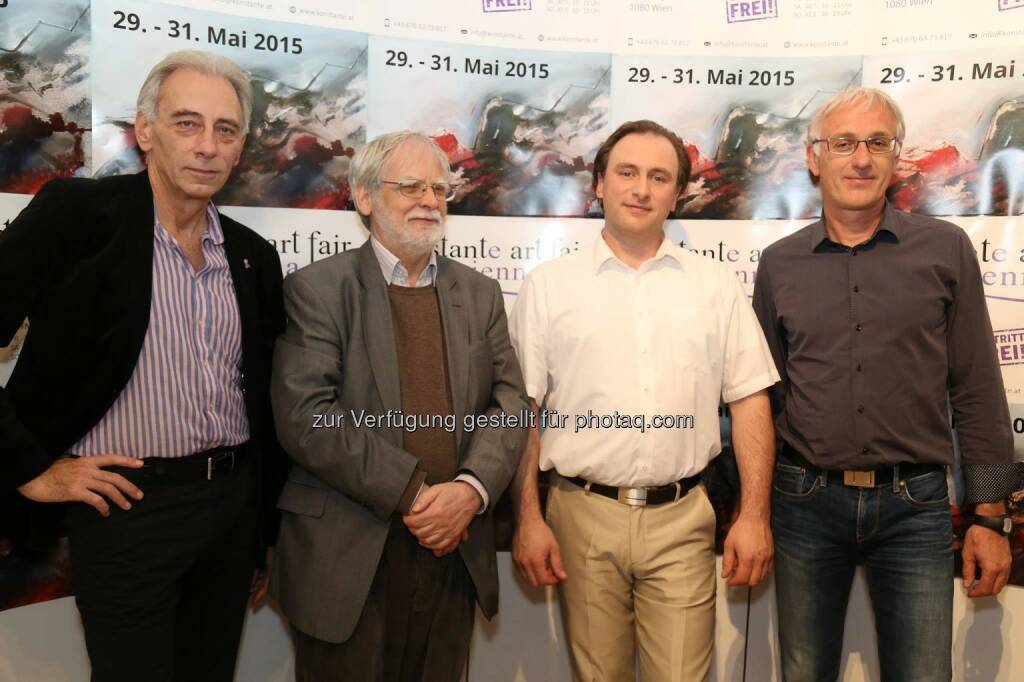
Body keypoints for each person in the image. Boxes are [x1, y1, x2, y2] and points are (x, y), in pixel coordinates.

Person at [0, 50, 286, 682]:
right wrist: (31, 469)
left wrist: (261, 529)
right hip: (127, 512)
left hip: (231, 513)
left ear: (241, 148)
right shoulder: (79, 217)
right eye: (187, 123)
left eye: (225, 130)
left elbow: (264, 404)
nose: (207, 146)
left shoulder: (251, 256)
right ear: (145, 130)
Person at [752, 86, 1020, 681]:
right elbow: (761, 402)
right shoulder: (778, 265)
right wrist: (749, 510)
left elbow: (976, 390)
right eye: (843, 143)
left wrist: (990, 518)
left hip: (916, 508)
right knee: (801, 672)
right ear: (814, 157)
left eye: (877, 142)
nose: (862, 159)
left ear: (898, 158)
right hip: (803, 505)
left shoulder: (946, 251)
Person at [508, 119, 780, 681]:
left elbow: (751, 401)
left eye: (660, 177)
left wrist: (754, 515)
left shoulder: (715, 286)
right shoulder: (548, 287)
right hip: (579, 517)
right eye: (627, 172)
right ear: (599, 184)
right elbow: (522, 412)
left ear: (678, 193)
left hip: (683, 519)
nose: (641, 189)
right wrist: (527, 518)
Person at [269, 130, 530, 682]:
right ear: (364, 197)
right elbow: (307, 417)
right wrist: (414, 493)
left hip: (451, 549)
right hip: (349, 554)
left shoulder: (479, 293)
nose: (429, 201)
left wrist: (468, 492)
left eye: (439, 188)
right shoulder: (318, 289)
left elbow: (510, 406)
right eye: (409, 186)